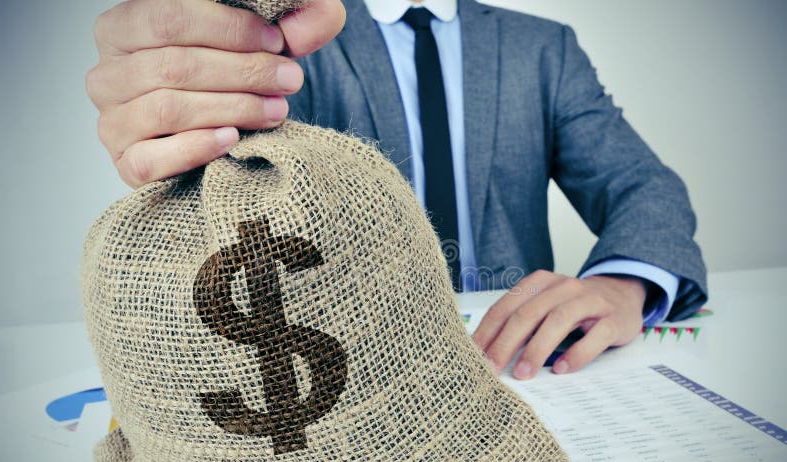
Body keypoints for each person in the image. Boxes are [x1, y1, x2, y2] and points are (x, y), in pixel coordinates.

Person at [86, 0, 707, 380]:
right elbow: (235, 195)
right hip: (345, 363)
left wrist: (627, 286)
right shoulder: (284, 40)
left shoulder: (542, 48)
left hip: (517, 361)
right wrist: (188, 121)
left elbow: (641, 185)